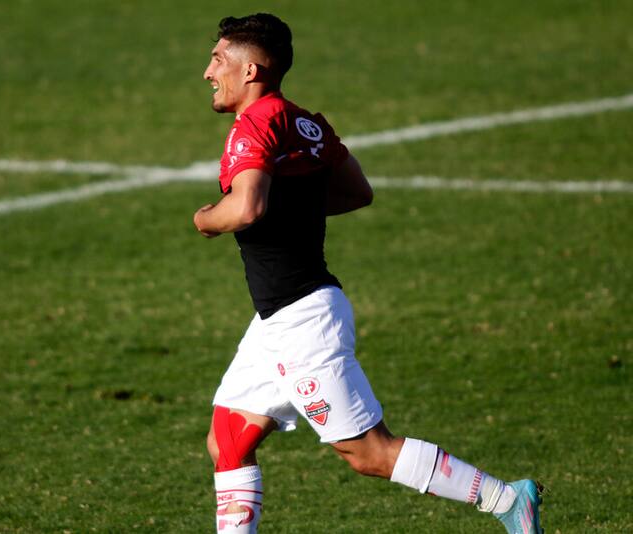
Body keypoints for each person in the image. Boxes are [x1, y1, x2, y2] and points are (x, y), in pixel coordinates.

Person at [193, 13, 543, 534]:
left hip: (300, 324)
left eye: (218, 59)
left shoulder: (254, 124)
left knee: (368, 451)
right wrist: (289, 208)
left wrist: (204, 219)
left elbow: (243, 209)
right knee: (228, 436)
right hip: (280, 320)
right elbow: (358, 191)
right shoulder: (305, 122)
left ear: (251, 71)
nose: (207, 71)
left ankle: (504, 499)